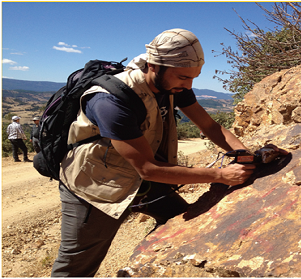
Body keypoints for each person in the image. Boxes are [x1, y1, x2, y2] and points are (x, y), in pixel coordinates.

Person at [51, 28, 287, 277]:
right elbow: (148, 168)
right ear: (153, 66)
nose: (189, 85)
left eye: (194, 77)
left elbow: (209, 126)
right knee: (76, 266)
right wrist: (220, 175)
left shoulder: (175, 85)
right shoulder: (110, 101)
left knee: (183, 225)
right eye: (183, 77)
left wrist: (244, 155)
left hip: (143, 181)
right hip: (96, 186)